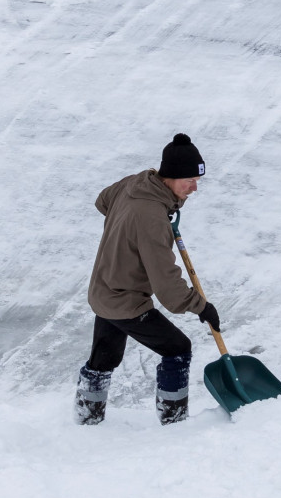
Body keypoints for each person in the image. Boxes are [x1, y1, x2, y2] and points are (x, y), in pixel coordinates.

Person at [75, 133, 221, 425]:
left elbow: (103, 200)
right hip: (124, 300)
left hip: (103, 290)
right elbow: (167, 286)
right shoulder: (151, 217)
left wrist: (126, 226)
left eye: (197, 180)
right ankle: (174, 422)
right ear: (169, 177)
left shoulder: (137, 182)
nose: (194, 187)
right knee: (177, 349)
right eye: (188, 180)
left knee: (103, 360)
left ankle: (87, 421)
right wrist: (201, 306)